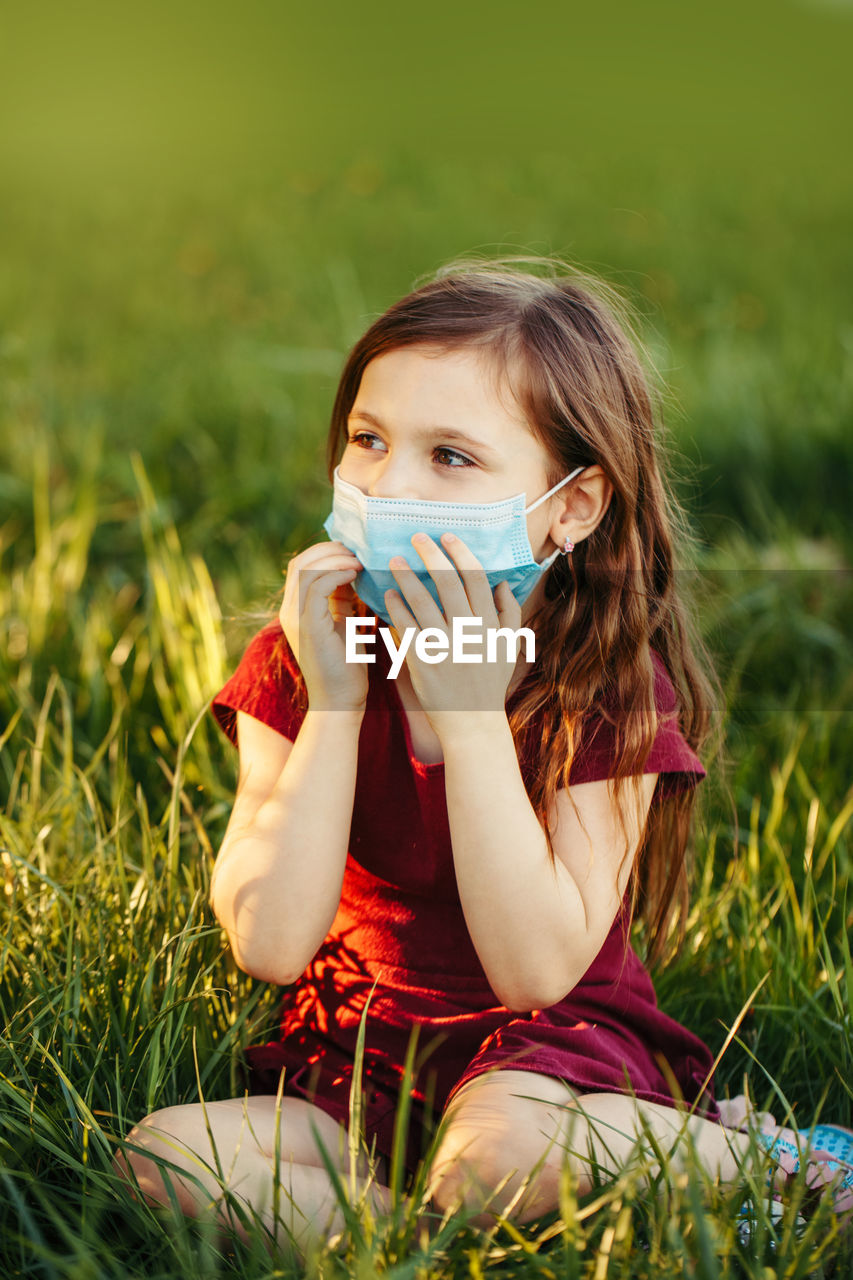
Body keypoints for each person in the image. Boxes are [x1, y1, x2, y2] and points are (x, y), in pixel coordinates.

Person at [115, 260, 853, 1253]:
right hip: (355, 1057)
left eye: (451, 456)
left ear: (571, 504)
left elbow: (536, 968)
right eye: (368, 440)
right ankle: (444, 1239)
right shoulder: (305, 657)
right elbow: (269, 943)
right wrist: (333, 705)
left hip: (545, 1057)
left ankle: (766, 1157)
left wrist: (468, 716)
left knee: (498, 1153)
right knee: (162, 1158)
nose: (388, 483)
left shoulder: (603, 683)